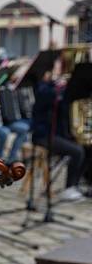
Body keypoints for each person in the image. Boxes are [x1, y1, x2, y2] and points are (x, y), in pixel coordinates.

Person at [31, 64, 86, 201]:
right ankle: (69, 188)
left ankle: (76, 184)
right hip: (43, 136)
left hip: (56, 134)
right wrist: (62, 87)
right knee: (77, 151)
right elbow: (48, 97)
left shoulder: (52, 86)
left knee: (84, 147)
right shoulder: (42, 88)